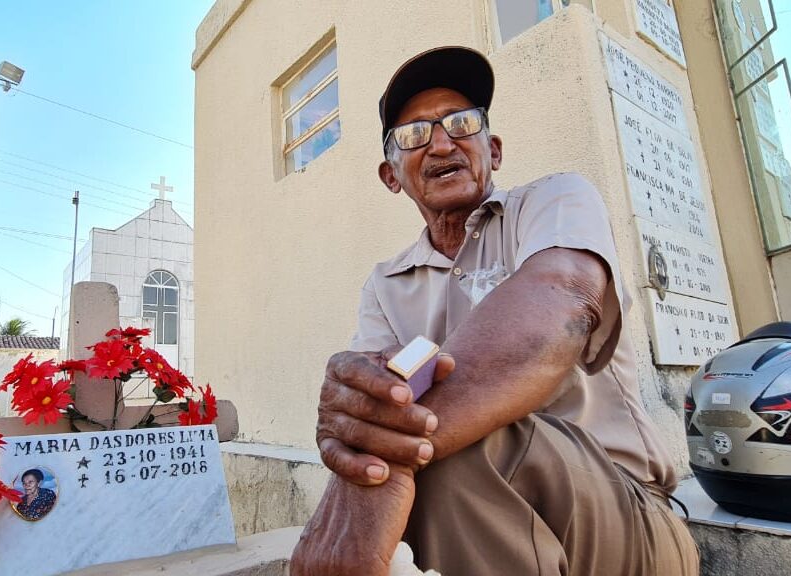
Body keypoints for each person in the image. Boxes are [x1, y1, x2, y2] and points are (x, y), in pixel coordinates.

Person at [290, 46, 699, 575]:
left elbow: (560, 308)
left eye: (462, 123)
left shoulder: (555, 202)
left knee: (463, 448)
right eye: (414, 135)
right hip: (472, 528)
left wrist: (358, 490)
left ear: (494, 150)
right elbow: (375, 408)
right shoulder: (384, 283)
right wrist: (357, 430)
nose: (442, 142)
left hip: (618, 516)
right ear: (392, 176)